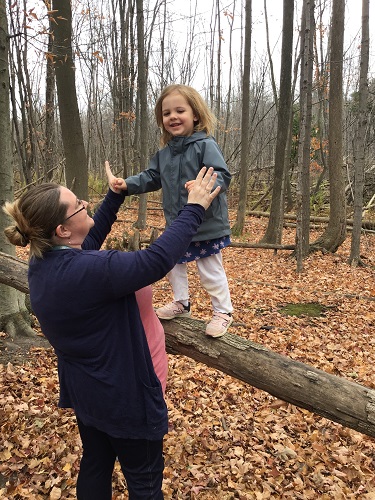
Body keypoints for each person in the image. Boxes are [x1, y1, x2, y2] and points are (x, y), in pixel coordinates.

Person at [3, 162, 220, 500]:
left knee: (95, 463)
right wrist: (195, 207)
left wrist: (115, 197)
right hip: (126, 398)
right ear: (61, 229)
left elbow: (85, 241)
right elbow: (155, 261)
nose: (85, 205)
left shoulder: (45, 263)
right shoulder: (90, 271)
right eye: (78, 205)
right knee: (145, 485)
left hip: (90, 394)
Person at [110, 84, 233, 338]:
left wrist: (203, 185)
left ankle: (223, 311)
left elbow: (222, 175)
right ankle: (182, 302)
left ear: (195, 114)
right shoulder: (164, 154)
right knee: (171, 262)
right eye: (167, 113)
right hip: (178, 223)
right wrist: (127, 184)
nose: (173, 117)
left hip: (206, 222)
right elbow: (152, 177)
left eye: (180, 110)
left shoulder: (205, 145)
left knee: (209, 268)